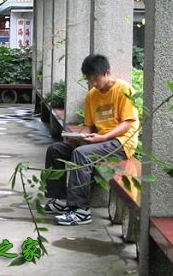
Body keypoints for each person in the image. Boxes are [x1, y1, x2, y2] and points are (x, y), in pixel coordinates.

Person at [44, 54, 139, 226]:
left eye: (96, 78)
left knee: (81, 154)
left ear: (107, 73)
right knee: (55, 150)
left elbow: (128, 123)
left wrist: (104, 137)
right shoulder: (91, 96)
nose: (94, 83)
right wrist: (79, 137)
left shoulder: (124, 89)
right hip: (100, 141)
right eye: (90, 79)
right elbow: (88, 125)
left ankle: (81, 210)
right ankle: (60, 199)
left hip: (121, 143)